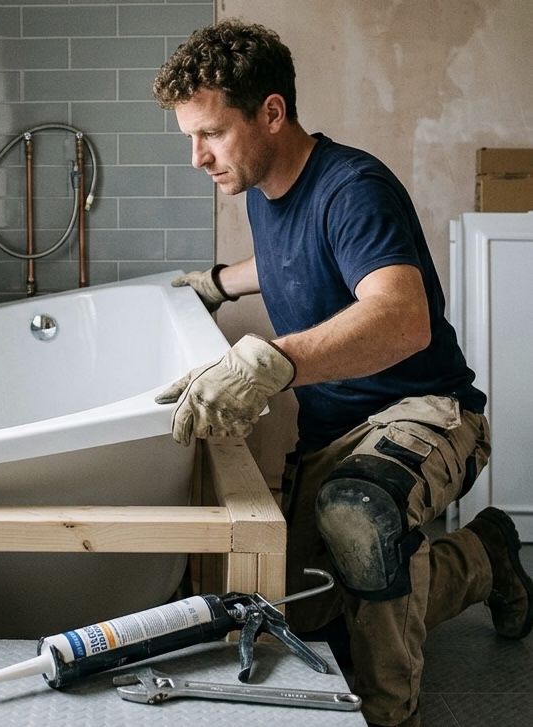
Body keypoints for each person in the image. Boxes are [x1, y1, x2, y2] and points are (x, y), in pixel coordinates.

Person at [151, 19, 533, 727]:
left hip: (425, 409)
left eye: (210, 134)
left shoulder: (352, 186)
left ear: (271, 112)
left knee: (360, 513)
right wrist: (214, 283)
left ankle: (392, 716)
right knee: (310, 616)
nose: (197, 157)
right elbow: (289, 259)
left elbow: (400, 316)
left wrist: (270, 359)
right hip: (333, 431)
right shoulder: (267, 185)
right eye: (189, 139)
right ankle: (484, 555)